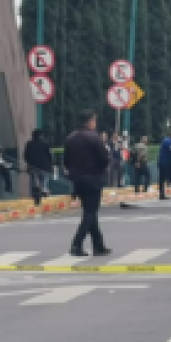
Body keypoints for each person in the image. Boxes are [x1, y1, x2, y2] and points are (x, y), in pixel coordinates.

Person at [64, 110, 111, 257]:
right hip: (93, 179)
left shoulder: (70, 138)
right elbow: (104, 159)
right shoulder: (94, 138)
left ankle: (99, 245)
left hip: (78, 180)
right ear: (90, 122)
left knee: (90, 212)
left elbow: (66, 161)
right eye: (94, 121)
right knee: (90, 213)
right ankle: (76, 244)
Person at [24, 129, 53, 206]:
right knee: (44, 179)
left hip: (33, 166)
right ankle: (44, 188)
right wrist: (51, 164)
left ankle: (33, 194)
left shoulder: (29, 144)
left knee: (33, 180)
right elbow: (50, 155)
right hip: (44, 166)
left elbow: (26, 155)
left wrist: (29, 163)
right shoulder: (46, 144)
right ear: (41, 136)